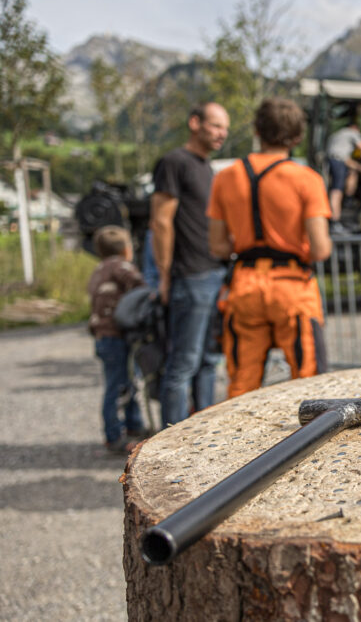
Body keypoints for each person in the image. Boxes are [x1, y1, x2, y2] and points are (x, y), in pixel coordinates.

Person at [207, 97, 333, 397]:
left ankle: (238, 443)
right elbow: (320, 249)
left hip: (245, 285)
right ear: (298, 137)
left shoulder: (225, 178)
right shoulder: (307, 179)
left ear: (257, 131)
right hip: (293, 288)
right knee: (309, 381)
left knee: (241, 385)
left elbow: (218, 246)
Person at [150, 102, 230, 427]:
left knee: (210, 360)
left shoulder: (206, 167)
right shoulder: (174, 162)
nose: (221, 133)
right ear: (194, 122)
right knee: (183, 362)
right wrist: (165, 275)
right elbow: (160, 221)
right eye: (215, 125)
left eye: (225, 128)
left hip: (214, 274)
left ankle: (202, 432)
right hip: (190, 276)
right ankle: (171, 437)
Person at [87, 225, 146, 453]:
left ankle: (134, 425)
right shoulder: (121, 267)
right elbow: (140, 287)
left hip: (102, 337)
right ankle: (114, 436)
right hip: (116, 336)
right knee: (118, 385)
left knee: (126, 382)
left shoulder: (98, 270)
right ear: (125, 250)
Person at [326, 106, 361, 233]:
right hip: (338, 162)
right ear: (355, 127)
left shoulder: (338, 135)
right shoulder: (353, 133)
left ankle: (346, 204)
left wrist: (359, 167)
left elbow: (346, 160)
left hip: (333, 162)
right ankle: (335, 221)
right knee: (337, 190)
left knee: (350, 176)